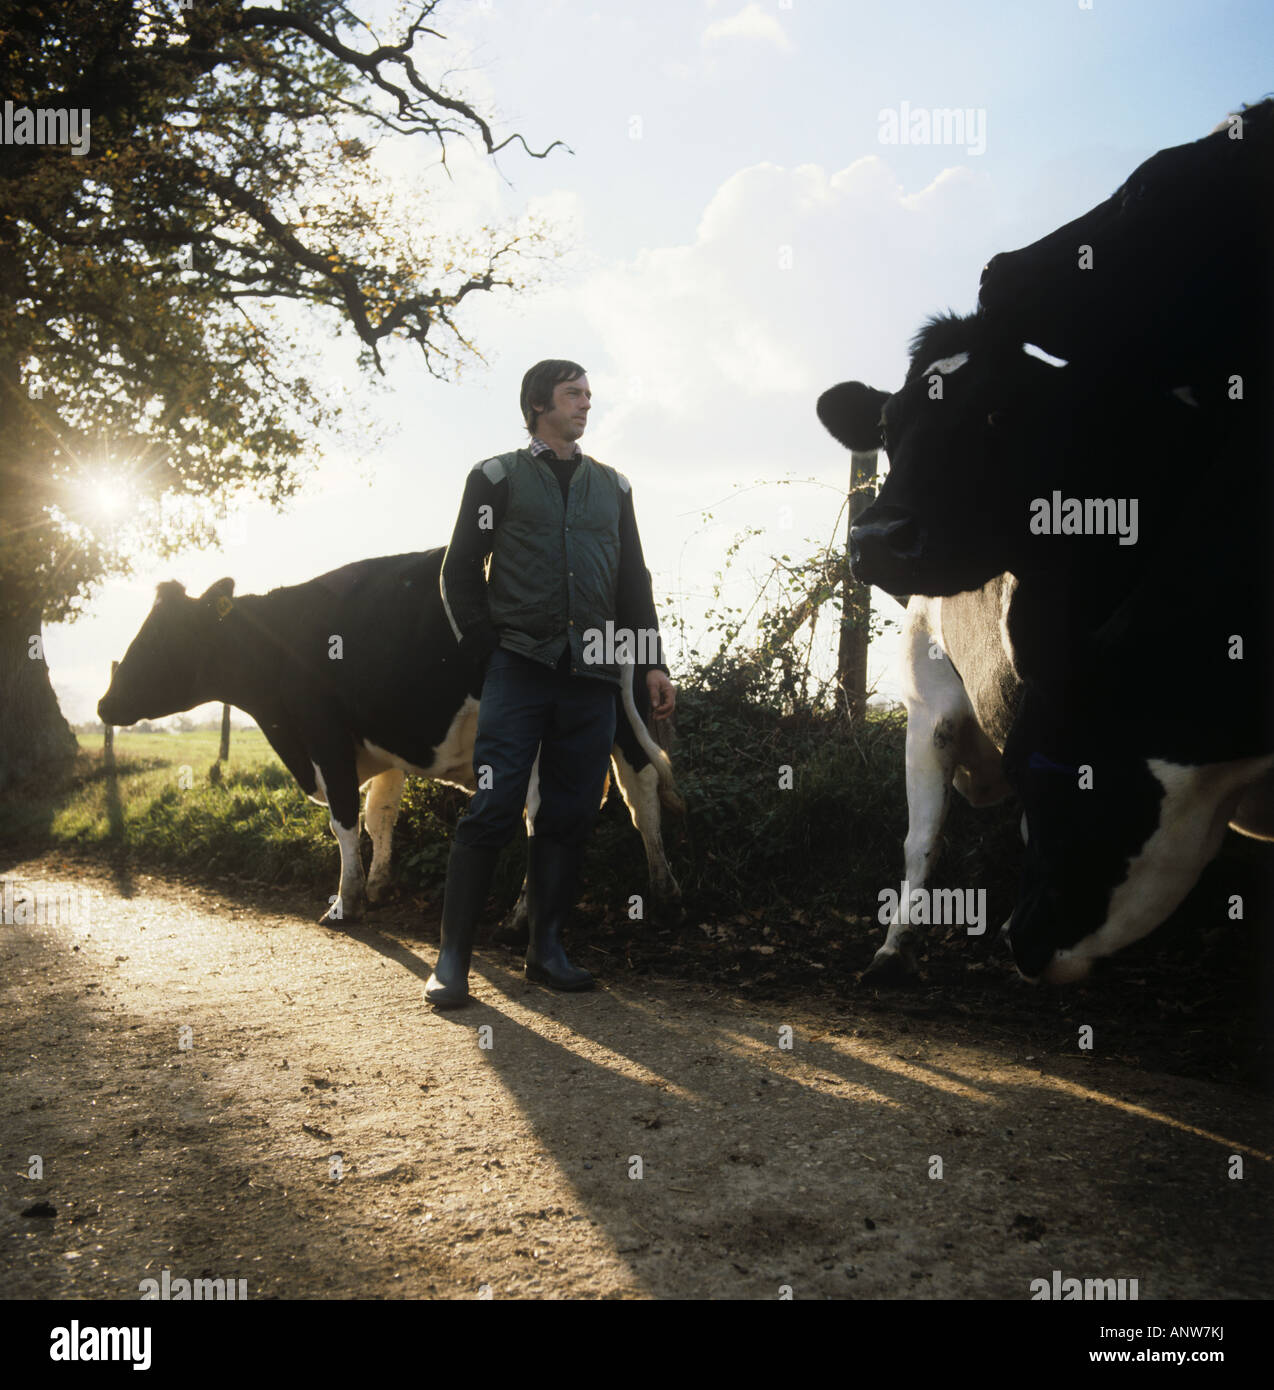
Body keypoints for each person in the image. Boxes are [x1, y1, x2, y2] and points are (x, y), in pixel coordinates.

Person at [427, 360, 675, 1008]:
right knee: (495, 805)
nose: (586, 404)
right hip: (518, 667)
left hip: (593, 673)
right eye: (574, 394)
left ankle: (548, 949)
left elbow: (634, 583)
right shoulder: (496, 478)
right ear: (540, 404)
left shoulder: (613, 488)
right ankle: (452, 960)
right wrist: (487, 648)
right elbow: (458, 572)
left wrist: (652, 662)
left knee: (568, 814)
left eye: (589, 394)